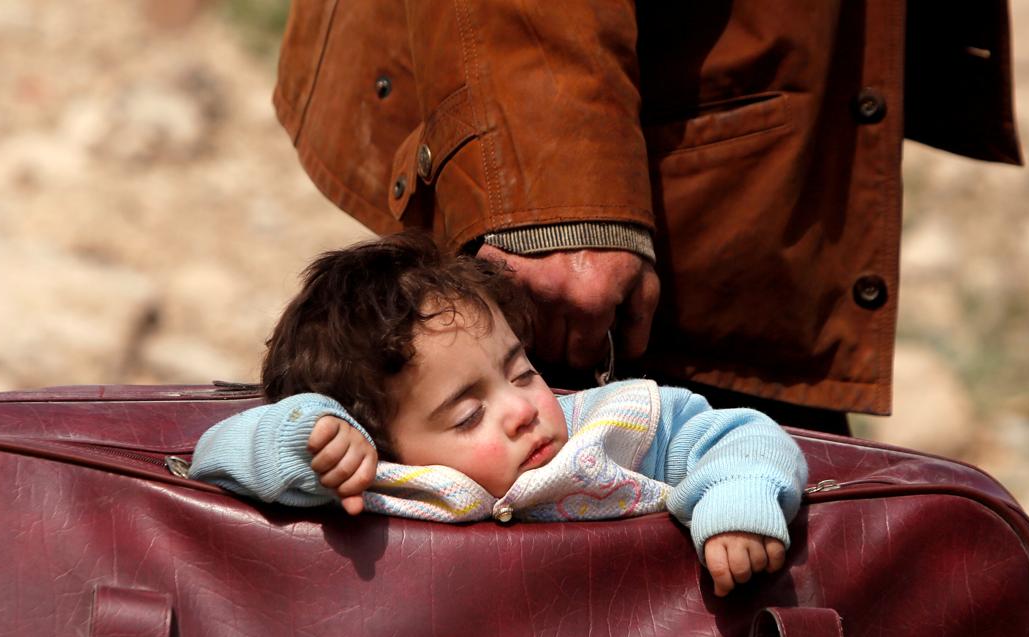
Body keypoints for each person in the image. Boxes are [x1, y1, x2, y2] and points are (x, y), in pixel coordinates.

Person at [271, 1, 1021, 430]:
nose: (513, 418)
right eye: (472, 413)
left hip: (746, 174)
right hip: (599, 220)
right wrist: (551, 192)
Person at [190, 234, 807, 597]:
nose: (519, 409)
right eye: (466, 416)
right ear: (385, 444)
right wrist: (313, 437)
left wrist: (738, 502)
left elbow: (745, 434)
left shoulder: (614, 426)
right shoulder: (377, 482)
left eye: (520, 371)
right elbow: (212, 458)